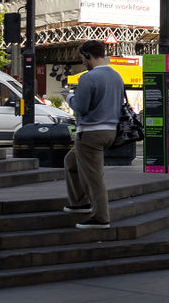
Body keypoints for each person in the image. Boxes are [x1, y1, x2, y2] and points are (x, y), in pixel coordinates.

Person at [61, 41, 125, 230]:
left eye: (82, 58)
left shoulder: (88, 78)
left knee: (93, 176)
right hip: (110, 130)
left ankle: (100, 216)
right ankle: (79, 202)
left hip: (90, 133)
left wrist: (69, 98)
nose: (83, 63)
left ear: (88, 55)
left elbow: (81, 107)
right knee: (70, 162)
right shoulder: (116, 76)